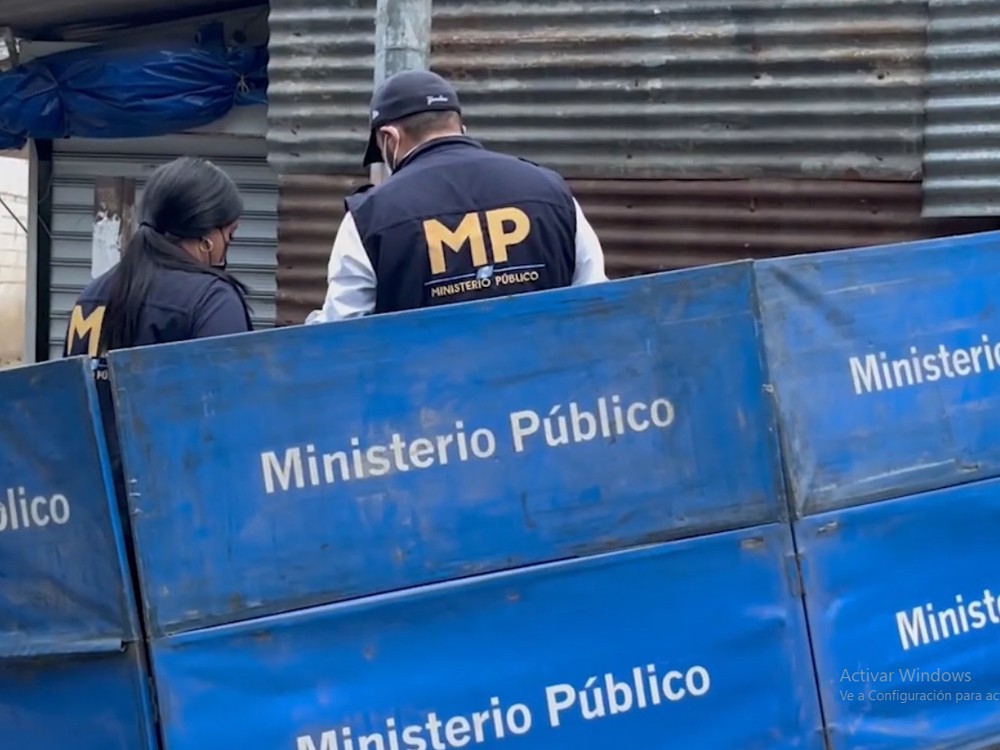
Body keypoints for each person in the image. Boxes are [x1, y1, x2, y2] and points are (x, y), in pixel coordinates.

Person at [306, 69, 607, 324]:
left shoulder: (369, 216)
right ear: (460, 126)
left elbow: (343, 333)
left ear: (390, 139)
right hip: (546, 388)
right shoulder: (551, 190)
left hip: (424, 392)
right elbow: (595, 300)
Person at [64, 156, 253, 358]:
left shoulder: (90, 298)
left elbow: (68, 386)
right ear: (206, 237)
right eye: (230, 234)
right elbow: (230, 385)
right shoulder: (212, 301)